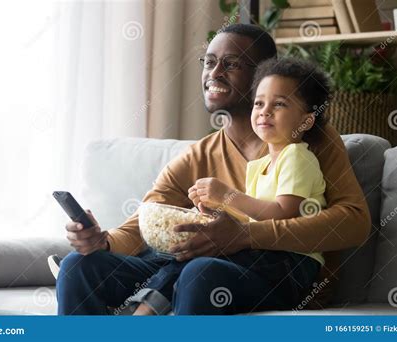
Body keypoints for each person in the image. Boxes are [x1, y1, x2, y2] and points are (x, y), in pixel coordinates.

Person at [55, 24, 370, 315]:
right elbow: (142, 223)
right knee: (80, 267)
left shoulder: (307, 139)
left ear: (264, 74)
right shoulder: (197, 156)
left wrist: (244, 235)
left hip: (278, 276)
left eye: (231, 64)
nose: (214, 73)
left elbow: (354, 221)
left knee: (200, 269)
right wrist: (101, 242)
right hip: (204, 265)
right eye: (208, 62)